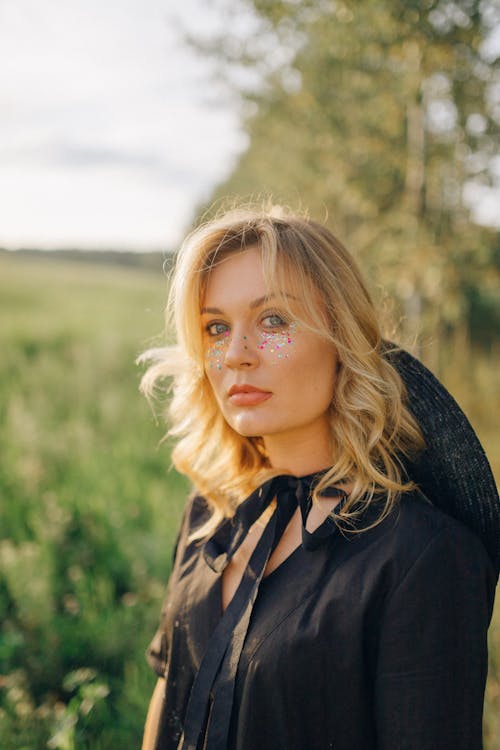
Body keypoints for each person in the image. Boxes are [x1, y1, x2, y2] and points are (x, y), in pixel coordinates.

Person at [139, 207, 499, 750]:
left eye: (273, 321)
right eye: (216, 327)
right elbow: (168, 698)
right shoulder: (210, 515)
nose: (235, 354)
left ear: (341, 338)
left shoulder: (421, 556)